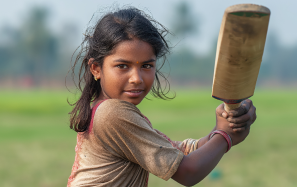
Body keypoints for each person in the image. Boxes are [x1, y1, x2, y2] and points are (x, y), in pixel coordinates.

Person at [67, 7, 256, 187]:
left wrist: (222, 129)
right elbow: (187, 172)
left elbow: (180, 153)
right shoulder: (112, 114)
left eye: (146, 66)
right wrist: (225, 136)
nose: (136, 78)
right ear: (96, 68)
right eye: (122, 66)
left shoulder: (107, 110)